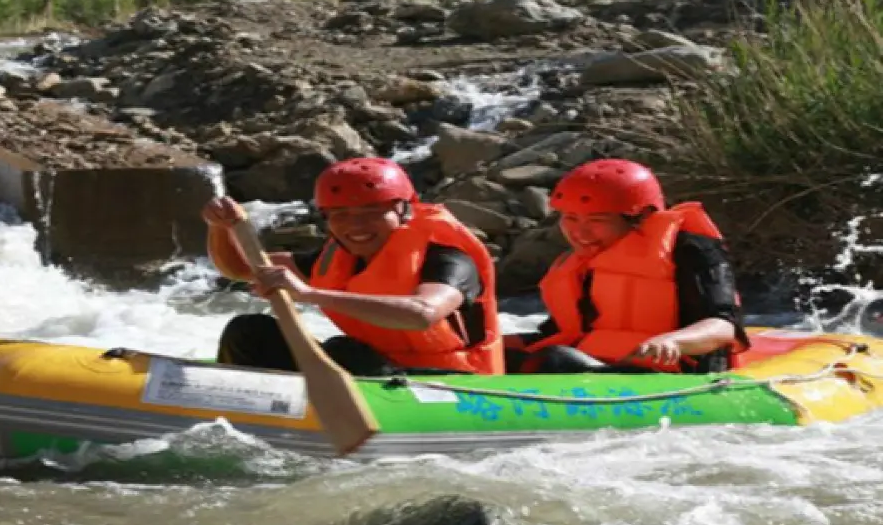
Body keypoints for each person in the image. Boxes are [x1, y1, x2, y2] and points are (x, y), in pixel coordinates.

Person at [203, 157, 505, 377]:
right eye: (341, 215)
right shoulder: (336, 258)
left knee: (344, 352)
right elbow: (241, 269)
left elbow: (422, 314)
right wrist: (220, 228)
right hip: (376, 368)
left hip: (454, 381)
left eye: (372, 211)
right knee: (249, 331)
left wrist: (308, 294)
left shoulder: (447, 259)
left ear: (404, 210)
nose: (355, 225)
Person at [504, 158, 751, 375]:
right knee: (504, 355)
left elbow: (724, 326)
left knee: (554, 359)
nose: (579, 232)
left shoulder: (692, 250)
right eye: (570, 219)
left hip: (675, 374)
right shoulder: (584, 262)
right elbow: (560, 334)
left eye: (596, 220)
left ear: (641, 217)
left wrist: (673, 342)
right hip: (598, 365)